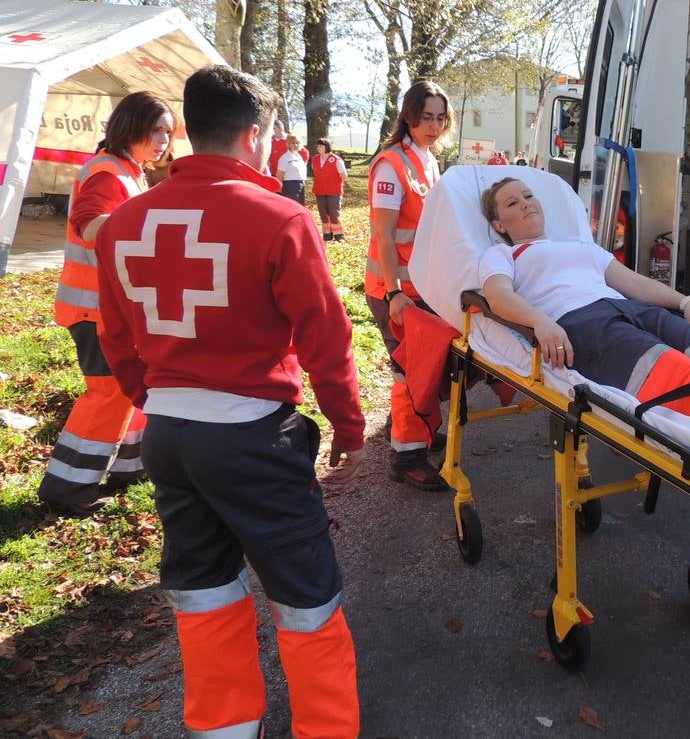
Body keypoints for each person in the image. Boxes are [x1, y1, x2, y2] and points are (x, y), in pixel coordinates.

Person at [93, 64, 364, 738]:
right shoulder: (282, 219)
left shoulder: (124, 222)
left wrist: (155, 399)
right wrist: (347, 424)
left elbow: (116, 339)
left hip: (169, 435)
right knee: (305, 595)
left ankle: (225, 728)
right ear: (254, 135)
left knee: (202, 586)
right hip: (251, 437)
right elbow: (325, 338)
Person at [479, 177, 690, 438]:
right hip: (582, 323)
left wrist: (685, 302)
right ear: (499, 225)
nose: (526, 204)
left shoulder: (581, 247)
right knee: (669, 366)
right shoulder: (503, 254)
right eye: (513, 203)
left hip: (628, 308)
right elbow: (498, 295)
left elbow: (638, 284)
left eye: (529, 196)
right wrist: (540, 321)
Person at [38, 91, 173, 514]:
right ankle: (68, 486)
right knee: (109, 392)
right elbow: (90, 223)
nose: (163, 140)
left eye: (168, 131)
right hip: (93, 310)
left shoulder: (128, 171)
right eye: (155, 129)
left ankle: (128, 466)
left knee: (130, 388)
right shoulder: (106, 172)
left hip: (110, 308)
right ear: (129, 126)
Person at [365, 79, 455, 490]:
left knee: (423, 367)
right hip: (395, 290)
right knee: (408, 371)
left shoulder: (427, 160)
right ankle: (406, 457)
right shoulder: (392, 165)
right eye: (425, 118)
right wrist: (393, 292)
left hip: (419, 287)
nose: (433, 126)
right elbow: (384, 235)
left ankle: (413, 431)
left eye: (439, 118)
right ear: (409, 116)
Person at [312, 139, 348, 241]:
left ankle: (338, 235)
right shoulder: (315, 159)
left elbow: (344, 175)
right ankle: (327, 234)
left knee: (334, 214)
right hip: (320, 190)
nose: (319, 148)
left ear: (327, 147)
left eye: (321, 146)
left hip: (333, 191)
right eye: (318, 146)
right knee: (323, 214)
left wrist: (335, 183)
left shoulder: (336, 160)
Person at [275, 133, 308, 205]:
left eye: (298, 143)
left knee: (300, 207)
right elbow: (279, 176)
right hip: (290, 187)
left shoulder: (299, 157)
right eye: (293, 143)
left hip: (301, 185)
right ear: (288, 144)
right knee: (293, 207)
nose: (296, 145)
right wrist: (280, 191)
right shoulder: (284, 158)